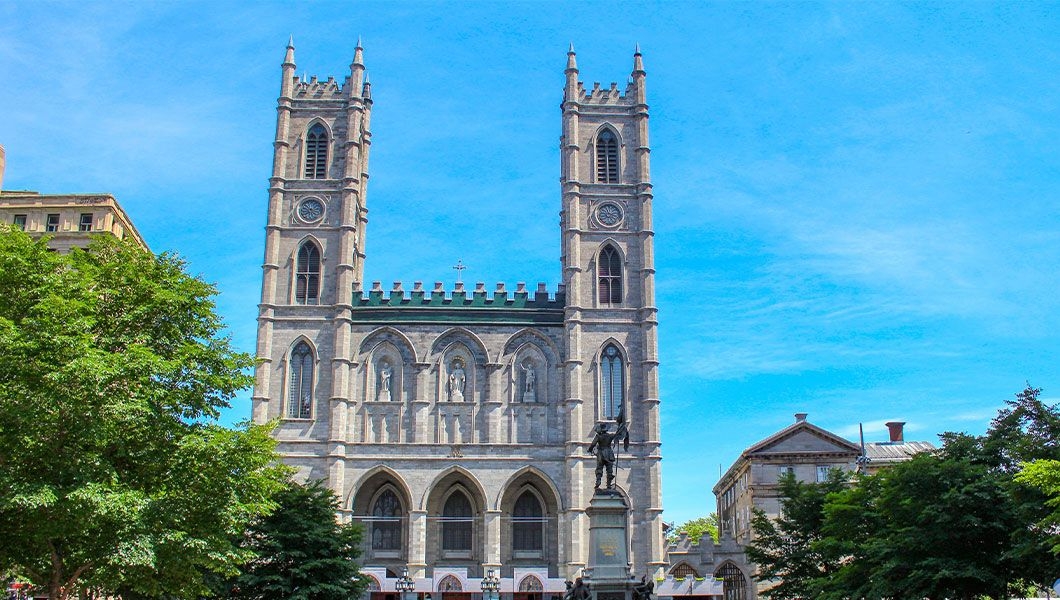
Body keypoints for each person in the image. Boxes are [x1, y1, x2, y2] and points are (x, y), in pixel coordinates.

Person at [587, 423, 617, 489]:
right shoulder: (610, 436)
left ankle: (598, 481)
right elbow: (617, 435)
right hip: (609, 454)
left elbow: (593, 444)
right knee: (609, 470)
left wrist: (590, 450)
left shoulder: (598, 436)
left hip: (601, 454)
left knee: (599, 468)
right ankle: (609, 485)